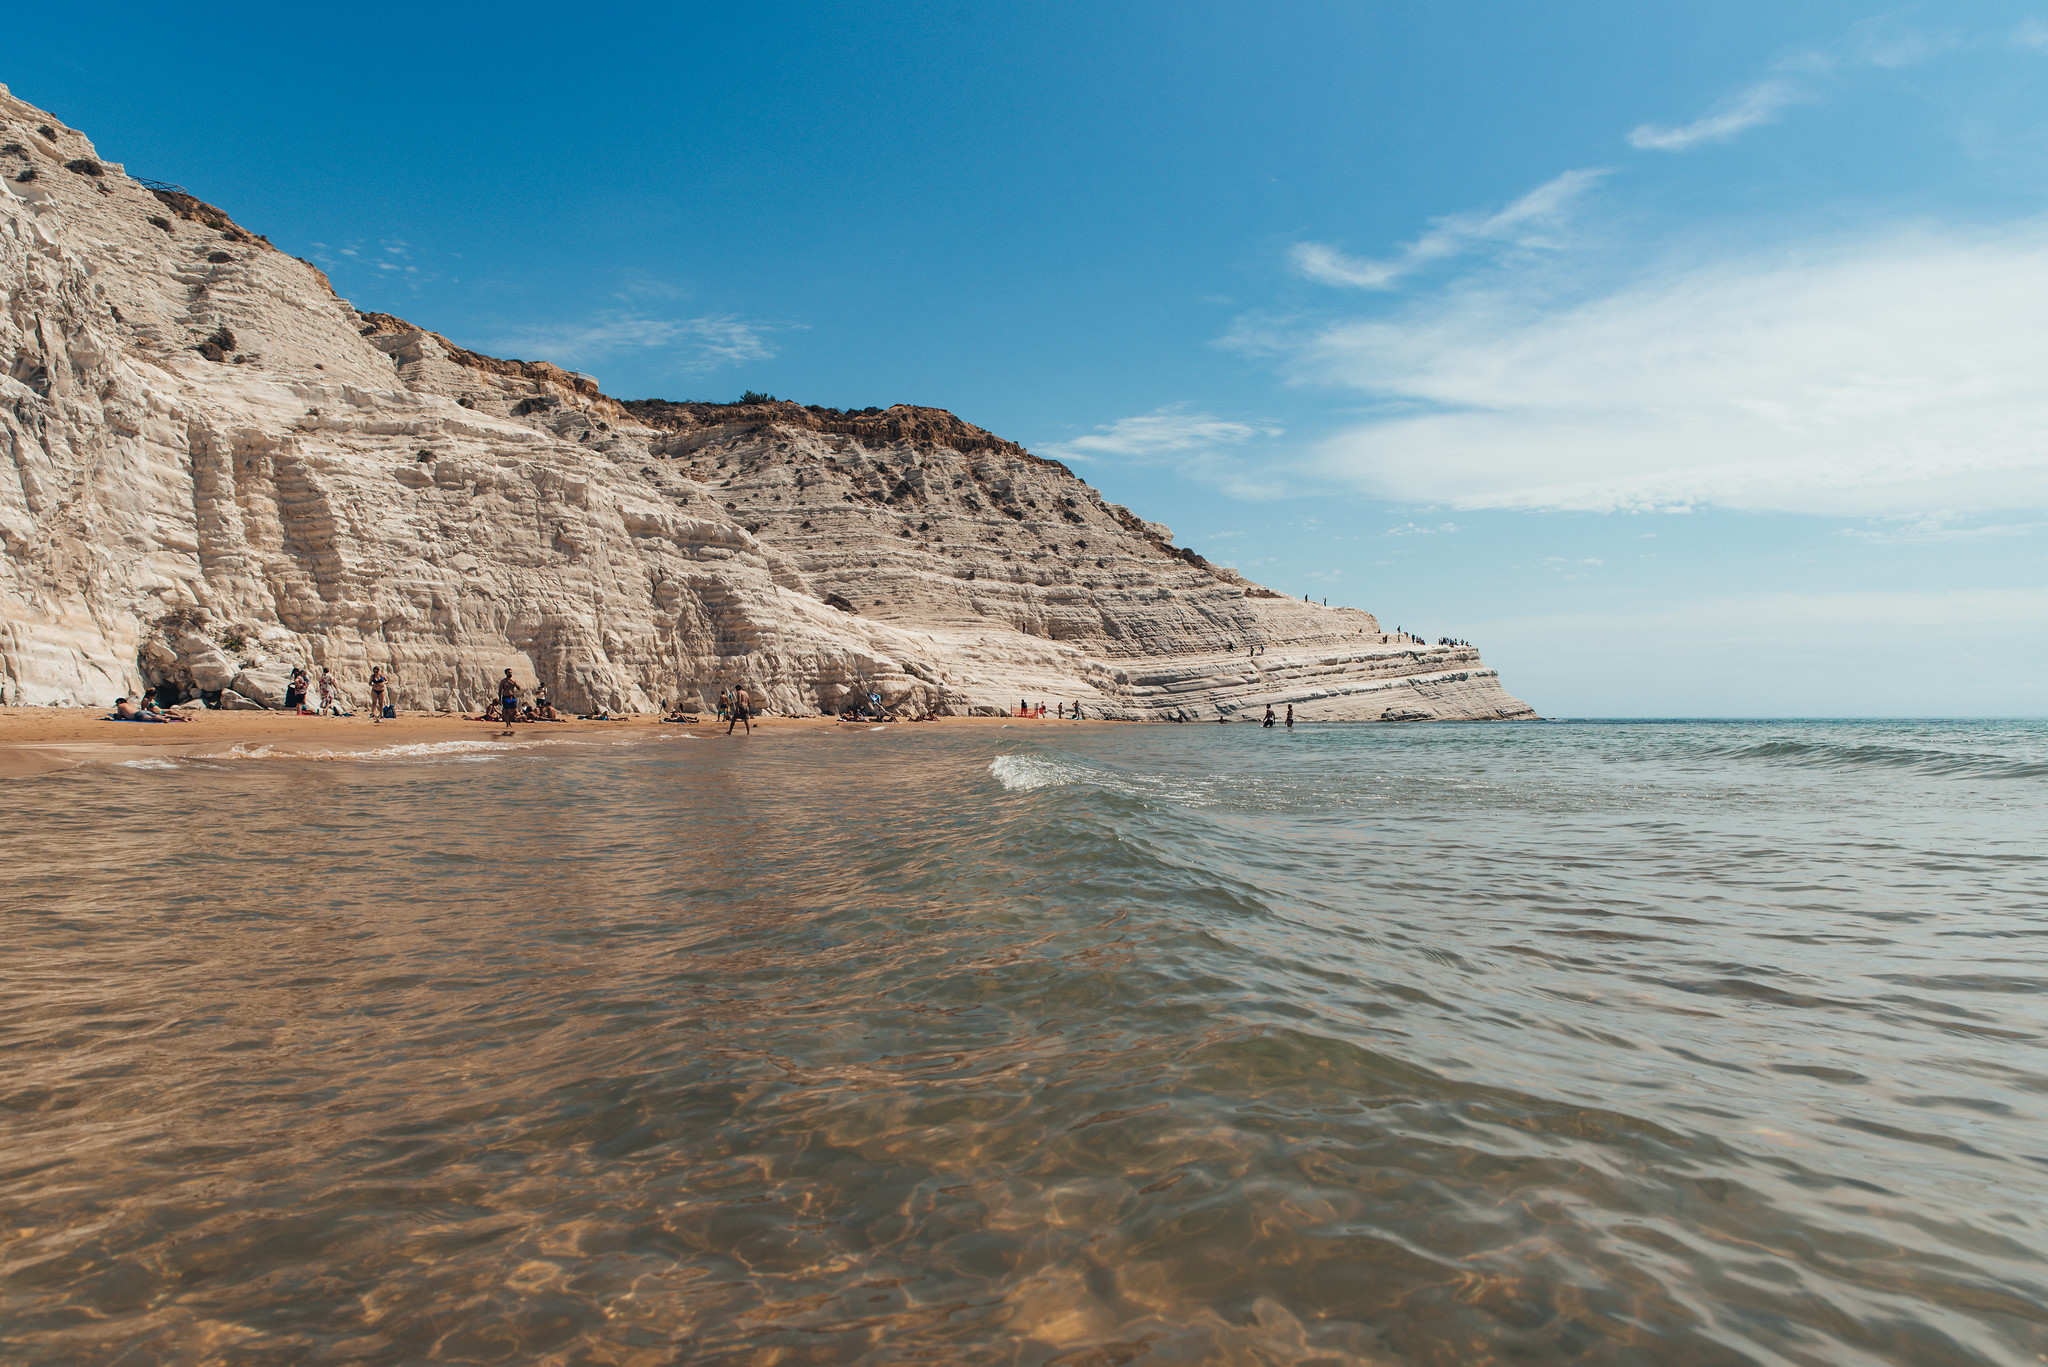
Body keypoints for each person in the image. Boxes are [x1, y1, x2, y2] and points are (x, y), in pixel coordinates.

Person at [497, 669, 521, 737]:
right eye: (509, 672)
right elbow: (500, 690)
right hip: (506, 697)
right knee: (506, 710)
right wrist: (499, 699)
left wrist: (515, 683)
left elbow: (519, 688)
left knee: (515, 711)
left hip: (512, 696)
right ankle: (507, 724)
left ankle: (509, 721)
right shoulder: (503, 681)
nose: (510, 673)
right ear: (506, 673)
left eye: (511, 672)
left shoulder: (513, 680)